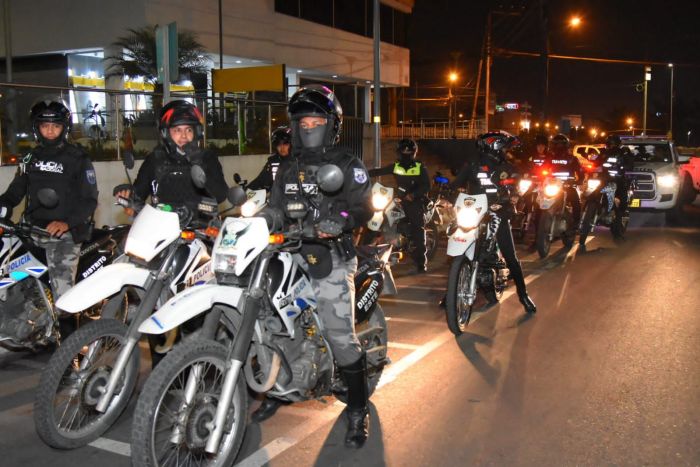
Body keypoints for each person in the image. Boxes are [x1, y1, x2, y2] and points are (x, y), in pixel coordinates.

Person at [262, 85, 373, 448]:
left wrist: (341, 220)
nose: (309, 127)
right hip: (291, 251)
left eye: (316, 121)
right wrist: (265, 215)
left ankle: (358, 408)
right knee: (266, 314)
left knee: (340, 334)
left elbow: (364, 207)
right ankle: (273, 384)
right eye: (303, 121)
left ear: (331, 125)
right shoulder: (287, 167)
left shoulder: (346, 164)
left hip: (333, 255)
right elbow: (276, 207)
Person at [0, 99, 98, 300]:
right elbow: (15, 191)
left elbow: (90, 199)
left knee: (63, 297)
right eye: (45, 126)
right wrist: (4, 205)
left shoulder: (78, 158)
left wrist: (66, 223)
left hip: (64, 235)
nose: (51, 131)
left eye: (56, 125)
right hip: (31, 230)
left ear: (64, 128)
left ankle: (69, 330)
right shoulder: (30, 158)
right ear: (37, 128)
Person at [450, 131, 537, 314]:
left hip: (498, 212)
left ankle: (523, 295)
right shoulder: (472, 164)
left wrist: (513, 196)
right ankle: (451, 293)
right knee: (457, 245)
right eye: (504, 147)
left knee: (510, 255)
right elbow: (457, 183)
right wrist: (446, 196)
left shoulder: (507, 167)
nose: (506, 151)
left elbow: (518, 186)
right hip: (474, 211)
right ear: (496, 146)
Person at [115, 100, 228, 212]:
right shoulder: (155, 160)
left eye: (189, 130)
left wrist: (198, 163)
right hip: (163, 226)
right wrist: (128, 197)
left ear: (196, 132)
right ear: (166, 133)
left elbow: (221, 195)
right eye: (177, 130)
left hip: (201, 226)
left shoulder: (207, 157)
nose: (184, 136)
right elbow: (137, 198)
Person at [368, 138, 431, 273]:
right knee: (379, 216)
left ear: (413, 152)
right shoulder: (396, 166)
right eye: (404, 150)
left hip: (414, 200)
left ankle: (421, 263)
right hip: (400, 198)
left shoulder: (419, 166)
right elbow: (377, 172)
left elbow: (426, 185)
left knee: (417, 229)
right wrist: (362, 173)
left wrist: (413, 195)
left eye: (408, 151)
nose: (406, 153)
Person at [546, 134, 583, 232]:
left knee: (576, 202)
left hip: (567, 186)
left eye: (560, 145)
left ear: (565, 145)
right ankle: (538, 227)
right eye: (556, 145)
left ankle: (576, 224)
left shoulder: (572, 159)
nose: (558, 147)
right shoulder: (549, 158)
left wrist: (579, 180)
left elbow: (580, 172)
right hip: (552, 186)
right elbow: (542, 169)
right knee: (539, 203)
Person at [247, 126, 292, 191]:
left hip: (296, 198)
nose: (282, 148)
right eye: (278, 145)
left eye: (285, 144)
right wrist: (245, 191)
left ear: (291, 144)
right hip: (276, 198)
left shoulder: (299, 161)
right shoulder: (273, 161)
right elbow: (260, 180)